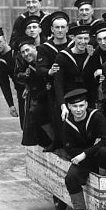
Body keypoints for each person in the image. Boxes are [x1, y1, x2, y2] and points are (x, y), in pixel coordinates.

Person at [61, 89, 106, 210]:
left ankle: (104, 194)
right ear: (69, 107)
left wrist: (85, 153)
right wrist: (89, 150)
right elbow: (69, 148)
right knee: (70, 178)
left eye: (81, 105)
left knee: (105, 152)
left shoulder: (96, 116)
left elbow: (105, 141)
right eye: (74, 106)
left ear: (86, 105)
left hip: (94, 157)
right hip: (82, 159)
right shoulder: (67, 122)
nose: (78, 110)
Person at [34, 11, 71, 151]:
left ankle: (71, 143)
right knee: (55, 114)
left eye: (63, 27)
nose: (60, 30)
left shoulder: (73, 44)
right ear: (52, 29)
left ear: (67, 28)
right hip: (53, 87)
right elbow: (39, 68)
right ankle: (57, 141)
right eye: (57, 27)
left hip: (71, 85)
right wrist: (48, 72)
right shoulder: (45, 48)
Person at [17, 37, 53, 147]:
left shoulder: (45, 58)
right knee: (35, 113)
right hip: (43, 95)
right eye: (23, 52)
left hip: (53, 93)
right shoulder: (31, 65)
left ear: (34, 47)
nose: (26, 54)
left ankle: (55, 140)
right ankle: (49, 141)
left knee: (38, 112)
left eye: (27, 50)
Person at [0, 27, 23, 128]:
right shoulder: (0, 64)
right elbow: (4, 85)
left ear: (5, 40)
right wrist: (11, 105)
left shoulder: (19, 50)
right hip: (22, 93)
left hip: (35, 88)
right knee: (25, 125)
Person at [54, 25, 98, 106]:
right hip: (68, 98)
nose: (83, 41)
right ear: (74, 38)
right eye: (80, 38)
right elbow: (58, 83)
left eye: (86, 38)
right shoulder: (62, 56)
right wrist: (62, 104)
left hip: (87, 98)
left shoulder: (92, 55)